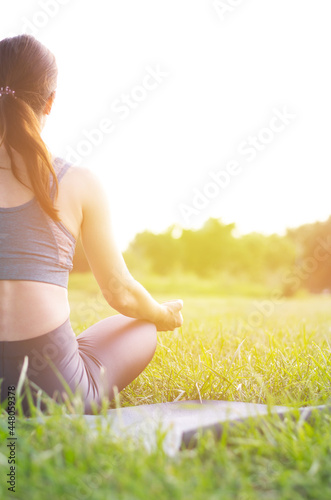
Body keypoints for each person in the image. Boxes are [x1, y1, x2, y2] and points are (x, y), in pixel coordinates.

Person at [0, 35, 183, 417]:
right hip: (56, 395)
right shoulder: (78, 181)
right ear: (50, 101)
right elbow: (122, 294)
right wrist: (162, 315)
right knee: (138, 326)